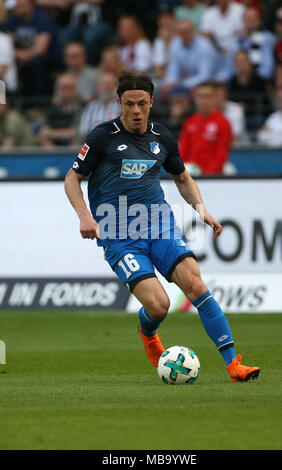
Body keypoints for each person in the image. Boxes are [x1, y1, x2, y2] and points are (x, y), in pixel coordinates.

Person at [64, 71, 260, 382]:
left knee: (196, 286)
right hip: (119, 236)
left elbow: (182, 177)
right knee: (159, 306)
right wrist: (85, 216)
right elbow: (72, 178)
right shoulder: (102, 137)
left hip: (159, 226)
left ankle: (234, 364)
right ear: (119, 103)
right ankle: (149, 333)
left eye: (142, 103)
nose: (137, 110)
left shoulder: (162, 137)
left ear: (152, 102)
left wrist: (202, 210)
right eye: (129, 104)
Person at [179, 82, 233, 174]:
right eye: (199, 96)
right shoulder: (190, 122)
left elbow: (221, 153)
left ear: (215, 98)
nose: (203, 101)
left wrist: (208, 175)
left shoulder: (223, 123)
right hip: (191, 173)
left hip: (212, 176)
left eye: (207, 97)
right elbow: (183, 150)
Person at [164, 19, 218, 89]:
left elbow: (205, 75)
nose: (184, 35)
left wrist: (183, 84)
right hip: (184, 83)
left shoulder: (205, 45)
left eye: (186, 32)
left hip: (209, 83)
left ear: (193, 31)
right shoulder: (175, 44)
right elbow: (173, 69)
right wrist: (171, 82)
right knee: (163, 90)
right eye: (181, 33)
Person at [226, 6, 276, 81]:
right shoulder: (236, 40)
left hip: (259, 80)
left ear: (259, 21)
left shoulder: (266, 38)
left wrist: (252, 76)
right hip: (238, 80)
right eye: (247, 19)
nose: (250, 21)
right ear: (242, 21)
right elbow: (230, 68)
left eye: (253, 19)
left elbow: (267, 68)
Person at [37, 72, 82, 147]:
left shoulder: (83, 108)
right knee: (43, 140)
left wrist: (52, 133)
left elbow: (77, 133)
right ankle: (54, 158)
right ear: (58, 90)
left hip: (75, 150)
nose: (67, 91)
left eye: (70, 87)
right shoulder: (52, 109)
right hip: (54, 149)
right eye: (64, 87)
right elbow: (44, 132)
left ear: (76, 89)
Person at [78, 71, 120, 141]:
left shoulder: (121, 107)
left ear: (115, 87)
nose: (106, 87)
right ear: (97, 87)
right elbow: (83, 133)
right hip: (94, 145)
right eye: (103, 84)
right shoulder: (90, 108)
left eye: (109, 84)